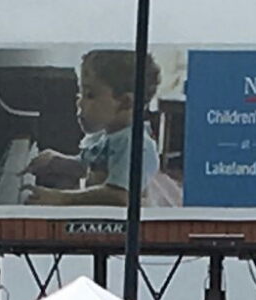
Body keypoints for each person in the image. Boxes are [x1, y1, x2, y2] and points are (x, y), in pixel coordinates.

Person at [23, 49, 163, 206]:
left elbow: (120, 196)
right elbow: (90, 167)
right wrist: (57, 161)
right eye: (79, 94)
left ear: (126, 102)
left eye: (90, 95)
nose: (79, 103)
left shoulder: (134, 144)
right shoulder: (106, 135)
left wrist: (61, 198)